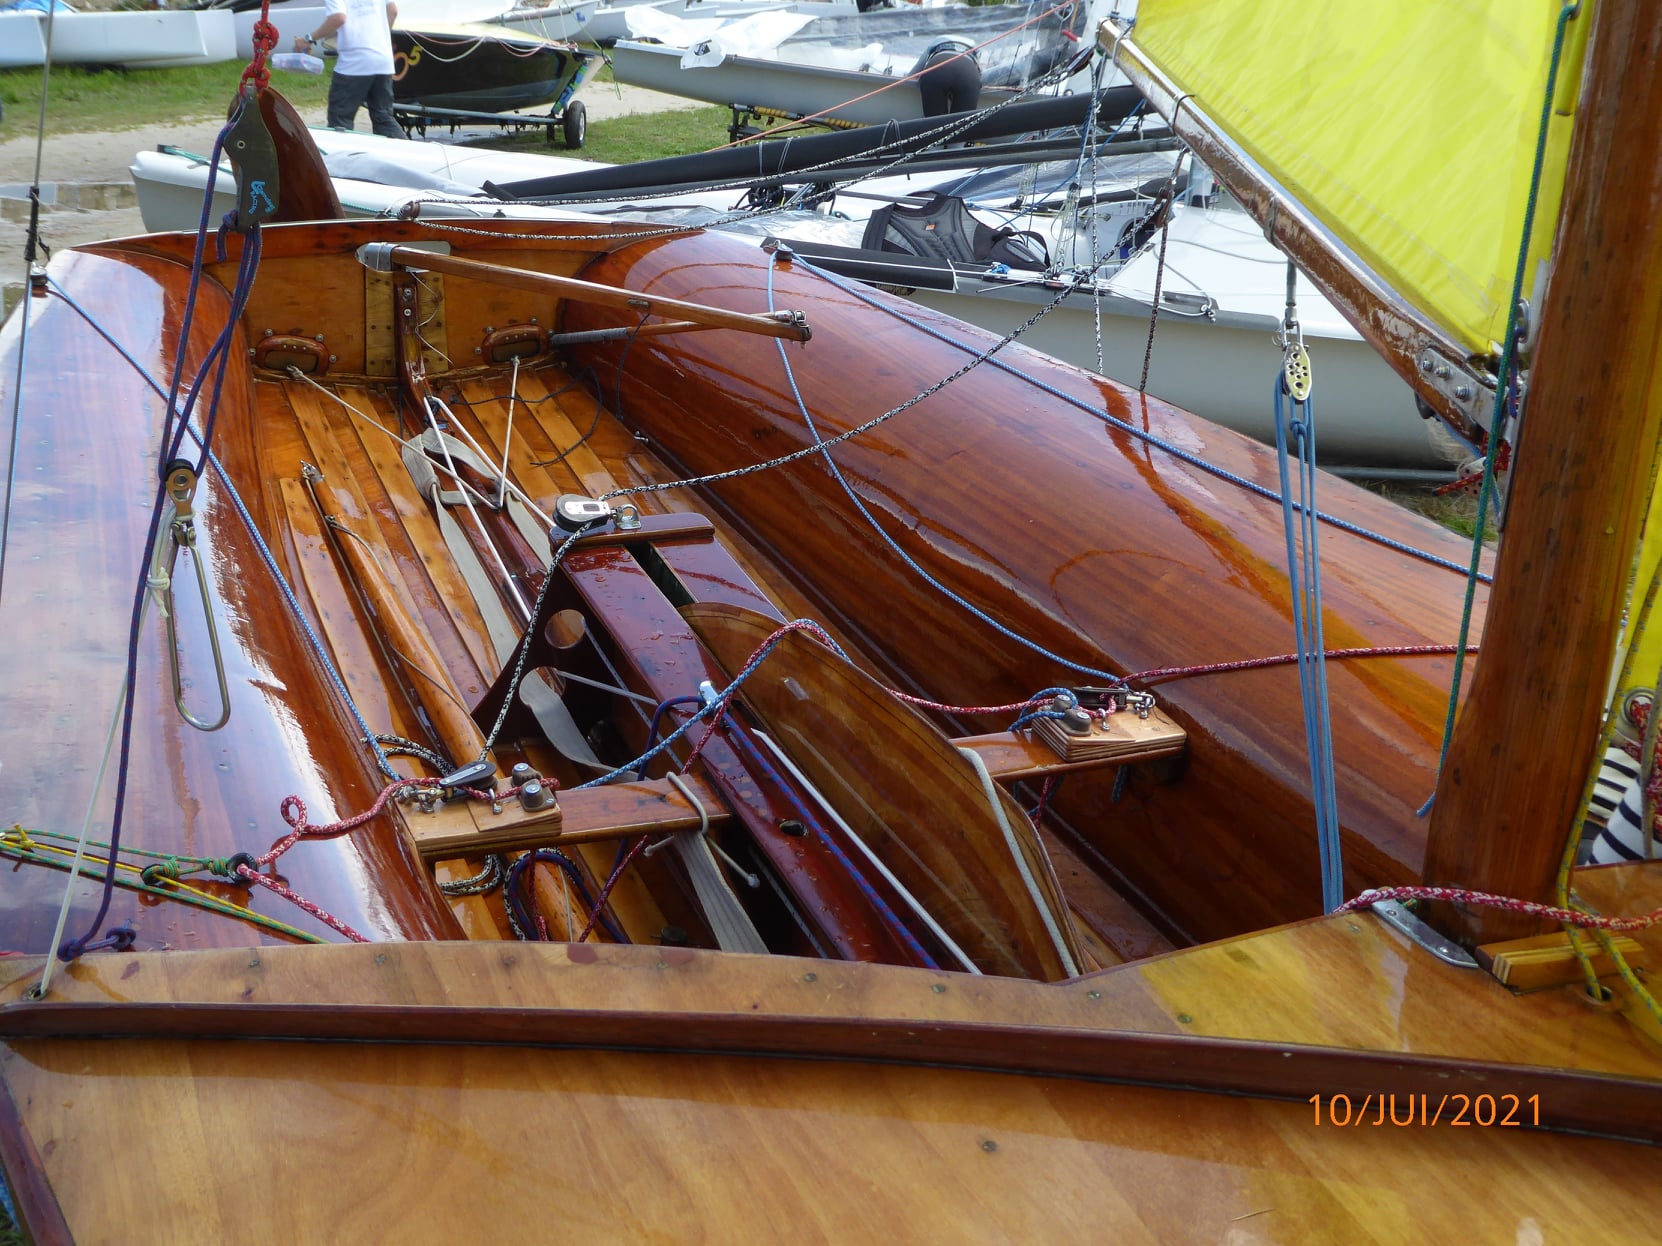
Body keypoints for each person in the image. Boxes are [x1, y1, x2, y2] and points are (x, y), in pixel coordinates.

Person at [295, 0, 402, 140]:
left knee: (340, 121)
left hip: (354, 63)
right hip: (383, 60)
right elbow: (392, 11)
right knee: (384, 118)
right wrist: (378, 37)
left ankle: (341, 152)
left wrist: (308, 39)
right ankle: (406, 150)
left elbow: (338, 18)